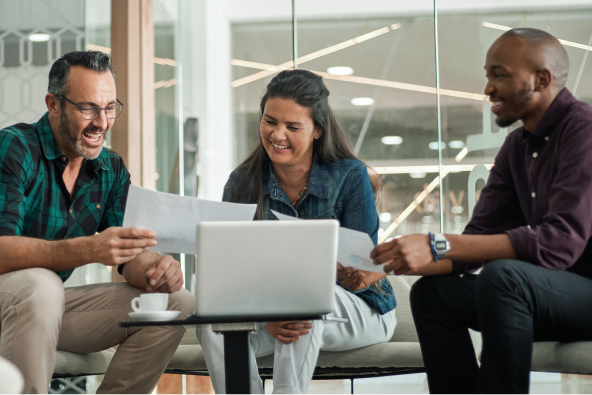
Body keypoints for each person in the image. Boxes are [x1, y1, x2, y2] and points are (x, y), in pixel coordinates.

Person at [370, 28, 592, 395]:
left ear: (542, 79)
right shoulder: (516, 147)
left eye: (499, 75)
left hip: (581, 296)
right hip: (545, 299)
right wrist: (391, 259)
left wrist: (438, 244)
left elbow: (558, 244)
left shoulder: (583, 129)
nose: (488, 88)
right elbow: (474, 243)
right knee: (432, 294)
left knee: (504, 277)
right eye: (487, 76)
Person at [0, 51, 194, 395]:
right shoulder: (14, 147)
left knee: (176, 301)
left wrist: (157, 268)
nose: (101, 122)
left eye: (109, 108)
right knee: (42, 284)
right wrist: (88, 248)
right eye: (88, 108)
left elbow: (130, 255)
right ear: (53, 104)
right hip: (17, 299)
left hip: (45, 308)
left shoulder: (111, 169)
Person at [197, 69, 397, 395]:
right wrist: (264, 312)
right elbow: (231, 272)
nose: (278, 134)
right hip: (271, 309)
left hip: (359, 309)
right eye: (270, 121)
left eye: (293, 126)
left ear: (317, 130)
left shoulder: (350, 176)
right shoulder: (242, 182)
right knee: (212, 323)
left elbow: (362, 265)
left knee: (301, 301)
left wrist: (284, 302)